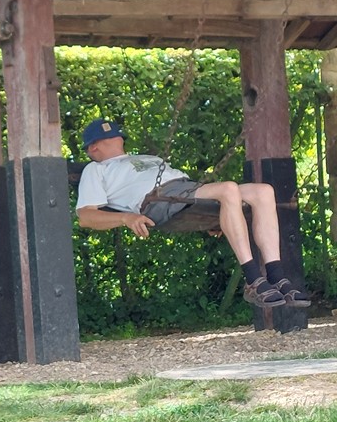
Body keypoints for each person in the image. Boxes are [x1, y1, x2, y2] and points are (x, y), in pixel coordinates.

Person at [76, 118, 310, 309]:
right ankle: (253, 280)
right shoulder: (96, 170)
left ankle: (277, 275)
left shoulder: (146, 158)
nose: (116, 138)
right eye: (108, 136)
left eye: (116, 134)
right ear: (93, 147)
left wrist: (218, 217)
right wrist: (126, 217)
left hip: (186, 191)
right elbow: (86, 216)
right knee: (228, 189)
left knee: (263, 192)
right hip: (157, 200)